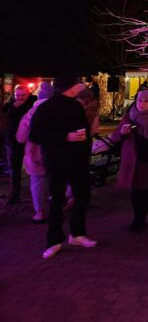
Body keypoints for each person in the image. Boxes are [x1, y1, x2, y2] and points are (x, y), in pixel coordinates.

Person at [30, 74, 96, 259]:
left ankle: (77, 233)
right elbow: (35, 135)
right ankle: (54, 240)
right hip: (57, 160)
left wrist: (84, 141)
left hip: (78, 160)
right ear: (69, 86)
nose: (81, 86)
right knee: (57, 199)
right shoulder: (47, 107)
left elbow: (84, 129)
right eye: (78, 83)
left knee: (83, 194)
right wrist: (65, 137)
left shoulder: (76, 105)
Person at [110, 89, 148, 233]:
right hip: (131, 158)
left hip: (146, 159)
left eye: (146, 101)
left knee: (143, 190)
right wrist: (122, 133)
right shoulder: (129, 116)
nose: (142, 104)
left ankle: (140, 219)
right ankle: (138, 219)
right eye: (140, 101)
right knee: (135, 191)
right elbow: (115, 137)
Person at [16, 82, 54, 222]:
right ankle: (56, 207)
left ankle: (40, 212)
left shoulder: (30, 114)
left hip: (35, 154)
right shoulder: (60, 112)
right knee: (56, 181)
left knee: (37, 184)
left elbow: (20, 137)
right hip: (56, 153)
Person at [2, 84, 36, 204]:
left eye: (23, 95)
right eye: (18, 95)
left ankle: (38, 194)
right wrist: (13, 108)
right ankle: (14, 195)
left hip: (30, 141)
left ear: (29, 94)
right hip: (13, 141)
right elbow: (4, 119)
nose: (20, 98)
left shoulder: (34, 103)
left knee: (35, 168)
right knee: (14, 168)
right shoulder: (10, 105)